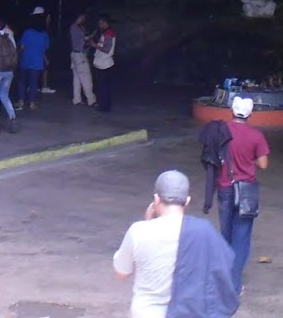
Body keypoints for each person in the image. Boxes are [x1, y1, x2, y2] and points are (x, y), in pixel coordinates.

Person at [113, 170, 238, 318]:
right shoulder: (203, 231)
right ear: (187, 201)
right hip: (189, 313)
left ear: (156, 199)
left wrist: (148, 222)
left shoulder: (138, 231)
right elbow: (225, 269)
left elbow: (121, 273)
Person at [217, 96, 269, 296]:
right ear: (250, 114)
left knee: (226, 236)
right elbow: (263, 164)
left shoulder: (222, 132)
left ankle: (224, 280)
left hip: (224, 188)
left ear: (231, 111)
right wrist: (249, 160)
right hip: (245, 191)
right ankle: (234, 285)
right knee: (241, 238)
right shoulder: (256, 136)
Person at [19, 7, 50, 107]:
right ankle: (32, 103)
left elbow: (22, 47)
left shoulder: (27, 32)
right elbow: (44, 48)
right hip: (37, 62)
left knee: (22, 82)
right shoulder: (44, 34)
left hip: (25, 60)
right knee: (33, 83)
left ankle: (21, 101)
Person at [71, 11, 97, 106]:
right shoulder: (76, 28)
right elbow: (85, 39)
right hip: (80, 55)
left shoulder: (76, 27)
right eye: (83, 17)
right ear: (80, 17)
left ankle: (77, 99)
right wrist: (92, 36)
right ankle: (91, 100)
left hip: (75, 55)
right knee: (86, 78)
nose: (84, 19)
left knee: (77, 78)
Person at [92, 14, 117, 112]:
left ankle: (104, 107)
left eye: (100, 23)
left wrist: (95, 45)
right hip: (104, 63)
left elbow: (106, 49)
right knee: (104, 87)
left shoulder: (109, 33)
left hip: (105, 64)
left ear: (105, 23)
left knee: (103, 87)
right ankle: (104, 106)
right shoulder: (107, 32)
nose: (99, 25)